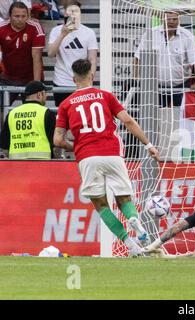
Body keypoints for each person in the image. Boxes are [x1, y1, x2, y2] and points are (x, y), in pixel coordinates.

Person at [53, 59, 161, 257]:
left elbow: (58, 140)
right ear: (92, 76)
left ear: (73, 79)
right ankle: (134, 220)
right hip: (112, 153)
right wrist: (149, 145)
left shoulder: (66, 104)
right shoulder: (105, 96)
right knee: (124, 198)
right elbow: (127, 121)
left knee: (101, 205)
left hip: (87, 157)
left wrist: (75, 146)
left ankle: (129, 244)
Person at [134, 11, 195, 108]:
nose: (171, 22)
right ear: (163, 20)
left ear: (179, 20)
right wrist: (136, 77)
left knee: (181, 116)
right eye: (168, 19)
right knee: (155, 116)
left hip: (181, 85)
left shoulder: (187, 36)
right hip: (155, 86)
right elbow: (138, 57)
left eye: (174, 19)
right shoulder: (150, 34)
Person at [47, 0, 98, 107]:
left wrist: (90, 79)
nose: (73, 14)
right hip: (61, 82)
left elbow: (92, 59)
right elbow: (51, 54)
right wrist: (62, 35)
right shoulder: (56, 31)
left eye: (76, 11)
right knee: (62, 118)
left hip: (82, 82)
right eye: (70, 11)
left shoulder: (89, 32)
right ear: (65, 13)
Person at [0, 81, 55, 159]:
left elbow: (4, 146)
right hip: (42, 164)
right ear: (39, 95)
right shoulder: (47, 113)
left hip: (16, 164)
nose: (46, 96)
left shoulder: (12, 114)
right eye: (45, 93)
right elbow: (55, 143)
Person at [0, 1, 45, 88]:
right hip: (7, 77)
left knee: (33, 102)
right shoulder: (1, 28)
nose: (20, 19)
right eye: (16, 16)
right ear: (9, 17)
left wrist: (36, 85)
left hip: (31, 78)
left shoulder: (36, 28)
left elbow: (36, 58)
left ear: (28, 16)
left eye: (23, 16)